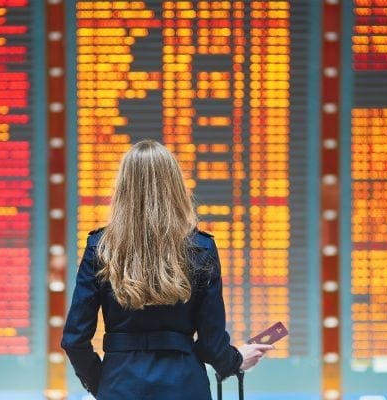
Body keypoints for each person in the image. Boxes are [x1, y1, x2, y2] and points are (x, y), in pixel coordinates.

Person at [61, 140, 273, 399]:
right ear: (175, 185)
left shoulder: (100, 248)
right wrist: (235, 360)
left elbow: (74, 340)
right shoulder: (201, 248)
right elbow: (211, 343)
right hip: (184, 386)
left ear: (123, 187)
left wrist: (103, 384)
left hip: (120, 384)